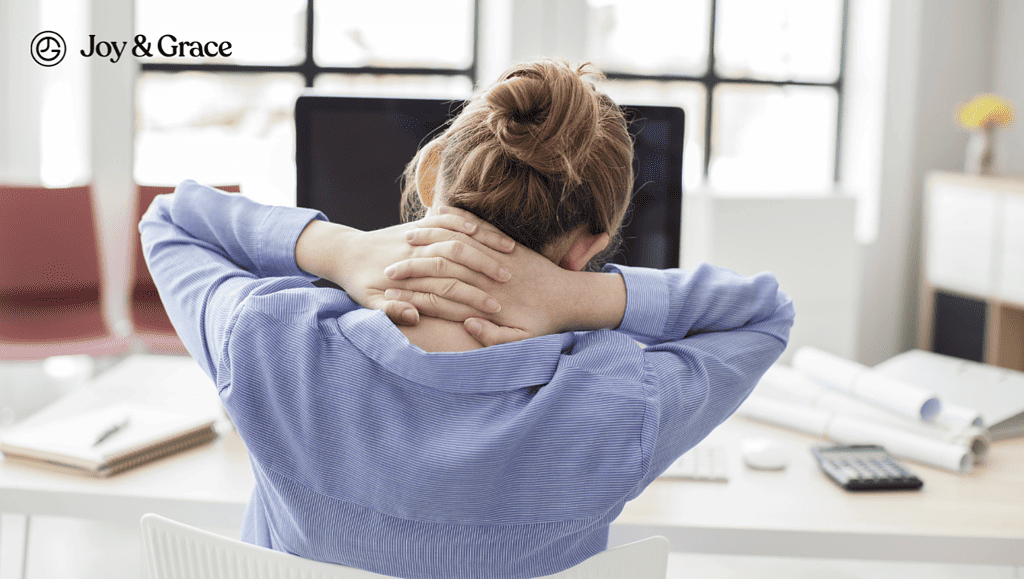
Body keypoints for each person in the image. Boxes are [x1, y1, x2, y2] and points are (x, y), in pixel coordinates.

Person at [140, 58, 795, 579]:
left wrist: (341, 248)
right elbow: (763, 313)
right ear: (589, 245)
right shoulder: (622, 400)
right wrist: (576, 295)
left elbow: (172, 221)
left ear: (430, 177)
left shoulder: (267, 339)